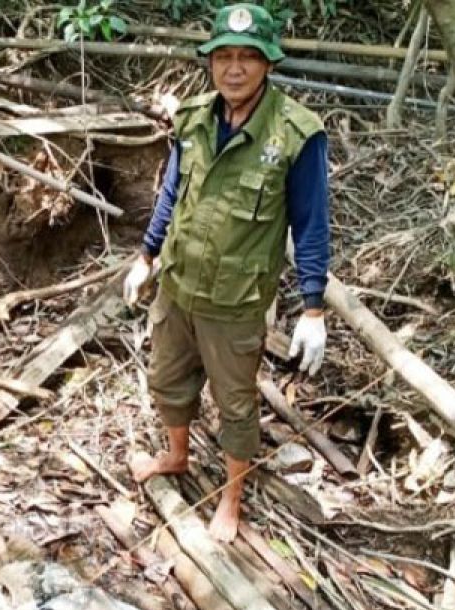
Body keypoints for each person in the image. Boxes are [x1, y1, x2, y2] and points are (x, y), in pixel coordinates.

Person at [124, 2, 330, 542]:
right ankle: (176, 456)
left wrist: (313, 307)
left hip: (235, 303)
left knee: (236, 406)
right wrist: (146, 255)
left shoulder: (295, 136)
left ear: (268, 64)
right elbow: (172, 192)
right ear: (210, 62)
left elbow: (310, 223)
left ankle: (231, 500)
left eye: (247, 57)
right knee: (167, 382)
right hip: (178, 287)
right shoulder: (192, 119)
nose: (233, 68)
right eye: (224, 57)